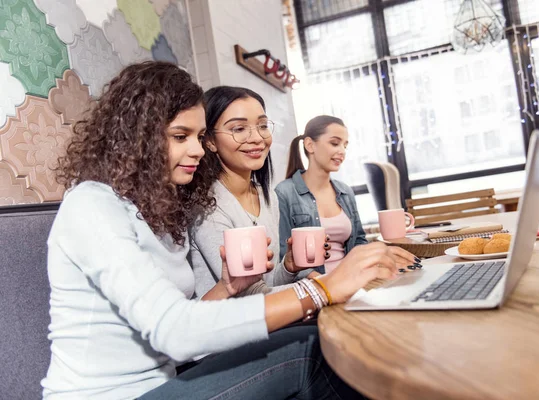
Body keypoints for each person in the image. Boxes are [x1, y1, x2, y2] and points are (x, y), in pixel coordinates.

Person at [41, 61, 412, 399]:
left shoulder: (159, 211)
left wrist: (226, 288)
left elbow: (177, 328)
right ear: (137, 137)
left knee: (323, 341)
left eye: (198, 137)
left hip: (163, 382)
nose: (198, 150)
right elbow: (175, 332)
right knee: (310, 350)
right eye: (180, 136)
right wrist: (319, 290)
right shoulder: (92, 205)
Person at [190, 86, 321, 297]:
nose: (257, 138)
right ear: (210, 141)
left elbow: (265, 284)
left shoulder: (267, 196)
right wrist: (328, 285)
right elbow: (249, 294)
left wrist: (288, 267)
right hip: (230, 325)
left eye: (262, 125)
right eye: (239, 129)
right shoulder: (207, 206)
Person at [276, 116, 422, 274]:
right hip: (314, 289)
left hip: (353, 281)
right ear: (310, 145)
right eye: (334, 143)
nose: (342, 151)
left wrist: (380, 254)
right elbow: (284, 258)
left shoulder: (345, 192)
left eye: (345, 146)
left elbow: (359, 240)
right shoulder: (284, 192)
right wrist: (325, 283)